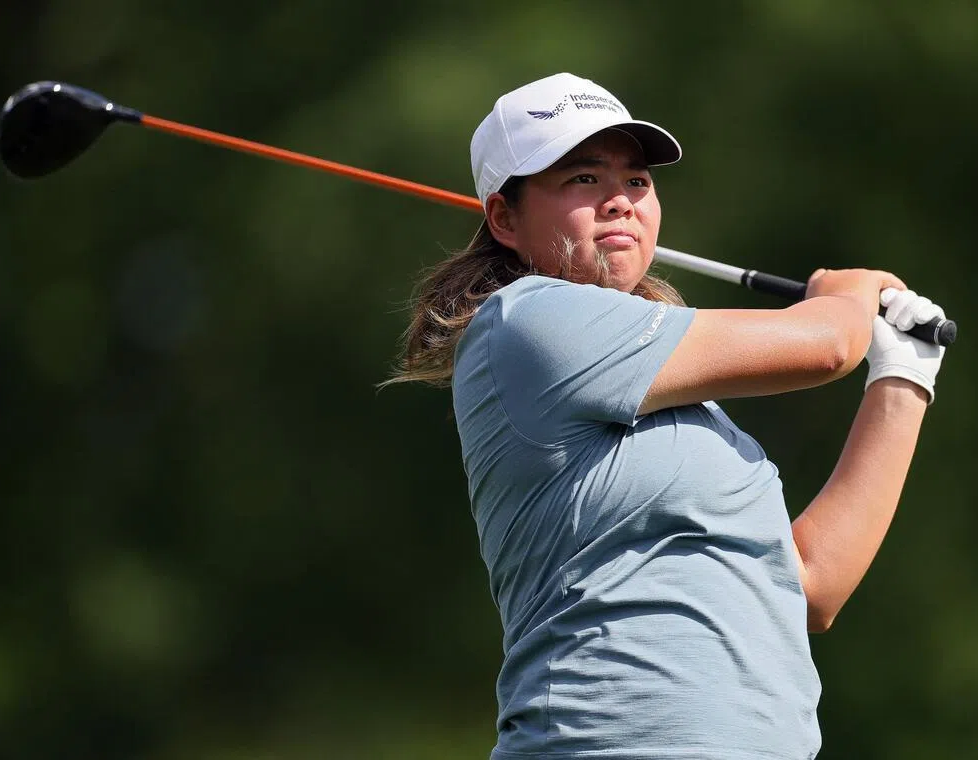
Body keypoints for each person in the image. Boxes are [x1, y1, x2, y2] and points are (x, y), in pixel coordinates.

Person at [384, 72, 948, 760]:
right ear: (505, 218)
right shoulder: (526, 323)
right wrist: (847, 293)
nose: (619, 200)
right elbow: (827, 344)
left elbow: (809, 584)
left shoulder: (696, 412)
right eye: (583, 179)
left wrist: (902, 377)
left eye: (637, 181)